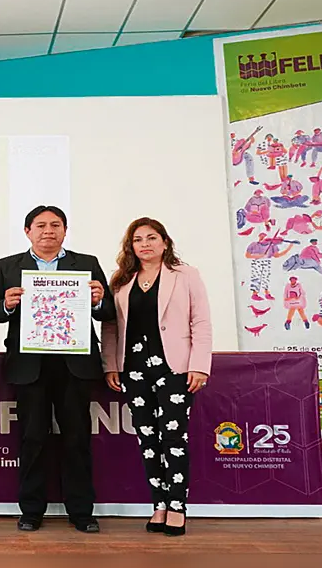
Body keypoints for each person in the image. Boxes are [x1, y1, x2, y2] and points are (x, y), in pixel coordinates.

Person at [0, 205, 114, 534]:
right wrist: (7, 305)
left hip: (74, 364)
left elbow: (107, 310)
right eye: (40, 225)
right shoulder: (7, 266)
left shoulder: (86, 264)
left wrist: (98, 299)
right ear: (27, 231)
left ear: (65, 231)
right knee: (32, 438)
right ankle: (30, 509)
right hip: (30, 366)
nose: (48, 231)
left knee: (77, 438)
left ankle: (82, 512)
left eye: (56, 225)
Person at [102, 218, 212, 537]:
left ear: (165, 242)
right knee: (148, 440)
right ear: (131, 246)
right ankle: (159, 504)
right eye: (138, 239)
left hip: (175, 368)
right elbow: (109, 327)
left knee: (174, 439)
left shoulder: (186, 275)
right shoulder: (121, 280)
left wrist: (200, 364)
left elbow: (201, 322)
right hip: (133, 369)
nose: (145, 244)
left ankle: (177, 506)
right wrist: (111, 364)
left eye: (152, 238)